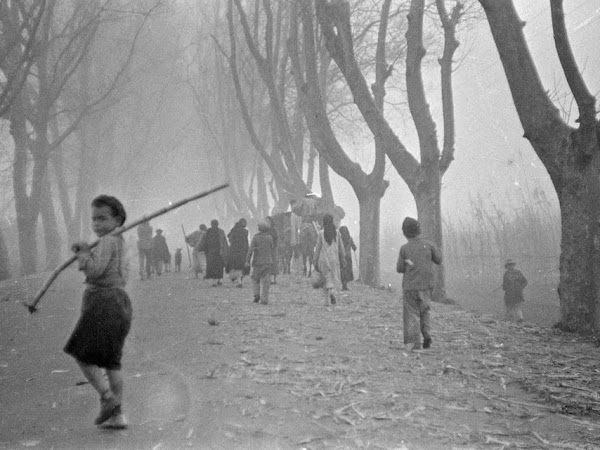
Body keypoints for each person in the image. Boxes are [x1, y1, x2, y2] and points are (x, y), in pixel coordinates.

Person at [64, 195, 132, 429]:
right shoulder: (121, 241)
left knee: (81, 354)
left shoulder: (107, 241)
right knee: (112, 362)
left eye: (103, 218)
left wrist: (83, 253)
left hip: (102, 302)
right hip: (120, 301)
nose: (97, 224)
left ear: (118, 219)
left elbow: (94, 271)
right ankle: (118, 415)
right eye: (94, 219)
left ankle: (107, 397)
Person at [396, 217, 442, 351]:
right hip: (427, 285)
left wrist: (406, 263)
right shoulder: (429, 245)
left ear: (404, 232)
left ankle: (414, 344)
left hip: (410, 286)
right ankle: (427, 334)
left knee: (412, 314)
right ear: (419, 230)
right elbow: (439, 259)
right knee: (425, 311)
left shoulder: (404, 249)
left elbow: (399, 268)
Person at [314, 213, 346, 306]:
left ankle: (326, 301)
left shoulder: (321, 233)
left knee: (325, 279)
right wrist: (343, 257)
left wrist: (314, 260)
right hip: (334, 259)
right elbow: (341, 247)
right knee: (333, 277)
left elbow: (318, 248)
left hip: (324, 259)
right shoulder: (337, 233)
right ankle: (332, 291)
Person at [246, 221, 274, 305]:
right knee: (266, 281)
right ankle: (264, 299)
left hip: (257, 262)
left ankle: (256, 295)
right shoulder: (270, 238)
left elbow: (250, 250)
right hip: (268, 262)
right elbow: (272, 248)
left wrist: (247, 260)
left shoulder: (255, 238)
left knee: (255, 279)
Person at [199, 219, 228, 286]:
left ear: (211, 224)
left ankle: (214, 282)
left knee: (212, 267)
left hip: (210, 252)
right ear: (218, 224)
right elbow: (224, 242)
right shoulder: (221, 231)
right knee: (219, 267)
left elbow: (204, 242)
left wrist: (201, 248)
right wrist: (225, 251)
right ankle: (219, 280)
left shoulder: (208, 231)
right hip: (219, 252)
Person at [502, 259, 527, 323]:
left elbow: (524, 281)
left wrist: (520, 287)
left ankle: (514, 319)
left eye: (511, 265)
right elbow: (524, 282)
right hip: (513, 292)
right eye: (509, 265)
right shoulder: (517, 272)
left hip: (513, 293)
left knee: (512, 306)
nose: (510, 266)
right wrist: (520, 287)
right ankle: (518, 318)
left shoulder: (508, 274)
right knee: (514, 306)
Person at [227, 219, 249, 287]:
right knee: (241, 266)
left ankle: (236, 279)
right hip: (242, 250)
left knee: (235, 265)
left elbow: (229, 237)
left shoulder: (234, 230)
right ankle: (239, 280)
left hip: (234, 250)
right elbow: (246, 242)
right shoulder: (245, 231)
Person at [339, 226, 357, 291]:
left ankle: (343, 285)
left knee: (342, 270)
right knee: (347, 271)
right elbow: (354, 247)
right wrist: (354, 247)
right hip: (348, 257)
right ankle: (345, 285)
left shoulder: (340, 239)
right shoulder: (349, 238)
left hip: (341, 257)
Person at [265, 216, 279, 284]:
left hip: (272, 249)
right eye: (266, 221)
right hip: (266, 249)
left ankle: (274, 279)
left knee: (274, 264)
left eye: (268, 221)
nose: (267, 223)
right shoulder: (264, 230)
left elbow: (276, 238)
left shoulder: (273, 230)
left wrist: (274, 246)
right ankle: (269, 279)